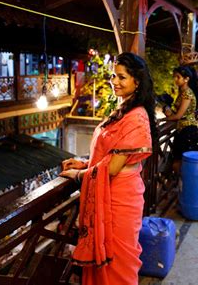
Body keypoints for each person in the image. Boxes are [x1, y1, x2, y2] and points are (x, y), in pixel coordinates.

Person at [60, 52, 156, 285]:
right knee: (108, 266)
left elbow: (112, 168)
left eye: (122, 77)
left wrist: (79, 175)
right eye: (114, 75)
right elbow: (110, 154)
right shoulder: (123, 110)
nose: (114, 81)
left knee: (118, 265)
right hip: (111, 193)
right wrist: (85, 163)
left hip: (120, 199)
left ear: (137, 81)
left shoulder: (136, 118)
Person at [164, 66, 198, 174]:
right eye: (174, 77)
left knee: (181, 164)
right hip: (183, 129)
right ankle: (184, 187)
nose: (175, 79)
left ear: (186, 79)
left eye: (178, 77)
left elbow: (178, 116)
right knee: (182, 163)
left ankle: (185, 188)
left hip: (188, 131)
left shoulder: (187, 93)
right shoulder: (183, 92)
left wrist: (163, 119)